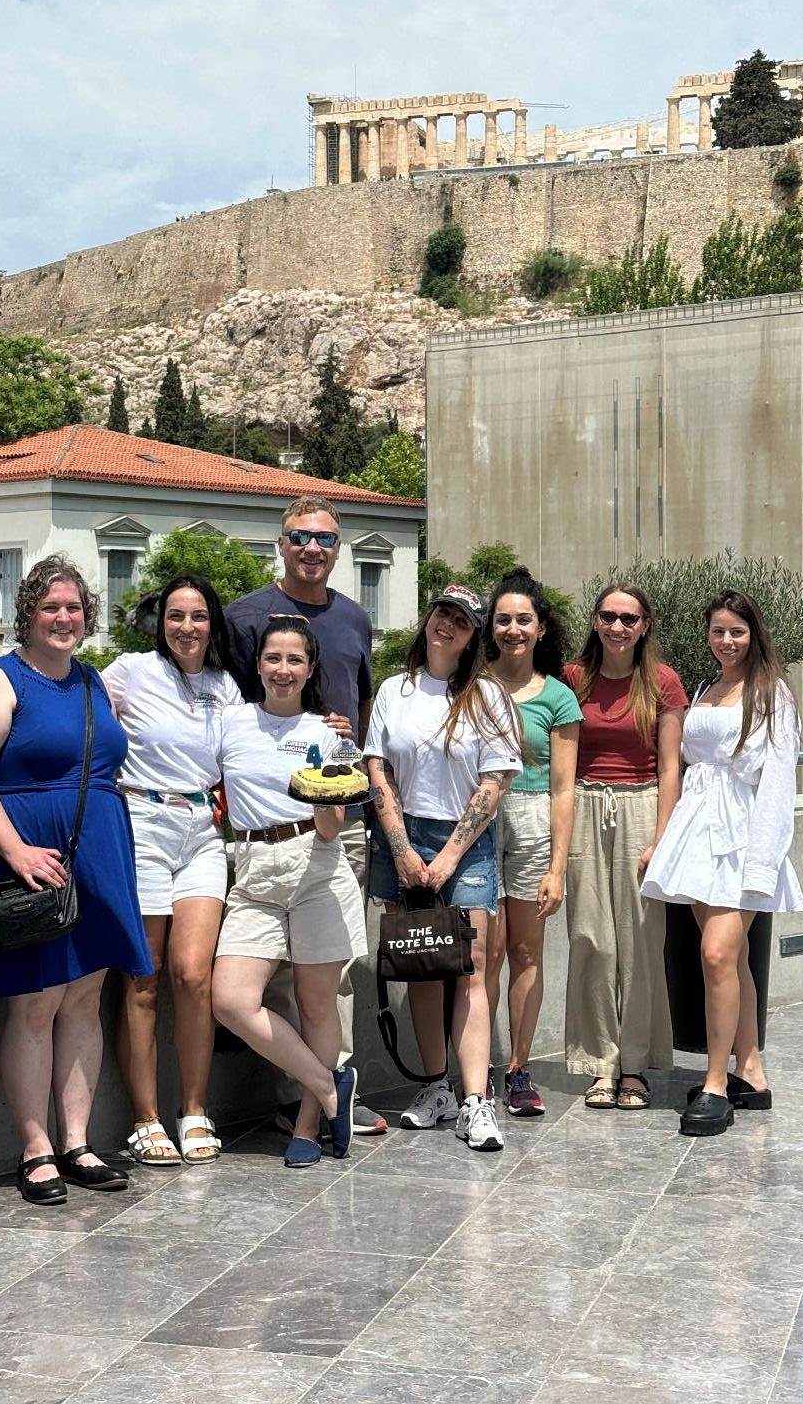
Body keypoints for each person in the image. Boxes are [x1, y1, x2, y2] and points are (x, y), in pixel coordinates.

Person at [0, 556, 152, 1204]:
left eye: (73, 606)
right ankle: (35, 1147)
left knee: (83, 998)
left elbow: (107, 762)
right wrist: (16, 849)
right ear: (28, 611)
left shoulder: (92, 681)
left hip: (98, 850)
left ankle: (76, 1140)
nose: (63, 617)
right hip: (31, 856)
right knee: (37, 1002)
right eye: (50, 606)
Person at [224, 493, 386, 1138]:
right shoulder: (243, 617)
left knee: (330, 976)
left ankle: (329, 1092)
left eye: (323, 539)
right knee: (271, 982)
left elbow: (363, 707)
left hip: (333, 811)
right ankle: (305, 1093)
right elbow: (237, 712)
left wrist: (342, 753)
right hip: (263, 818)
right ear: (281, 543)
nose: (311, 548)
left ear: (338, 548)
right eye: (299, 537)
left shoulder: (352, 619)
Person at [364, 584, 523, 1151]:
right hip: (402, 836)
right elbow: (375, 770)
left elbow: (496, 780)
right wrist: (403, 848)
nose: (447, 626)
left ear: (473, 634)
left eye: (460, 620)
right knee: (422, 967)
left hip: (466, 840)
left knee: (472, 970)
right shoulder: (395, 689)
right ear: (427, 619)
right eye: (441, 614)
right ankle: (436, 1087)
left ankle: (477, 1100)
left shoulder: (487, 696)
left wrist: (451, 853)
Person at [642, 590, 803, 1137]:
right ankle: (751, 1071)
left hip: (743, 838)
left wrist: (763, 864)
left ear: (754, 633)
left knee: (716, 955)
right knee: (730, 963)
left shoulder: (772, 693)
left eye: (736, 631)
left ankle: (715, 1084)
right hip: (698, 833)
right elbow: (691, 764)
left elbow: (779, 786)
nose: (727, 640)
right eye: (718, 631)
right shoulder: (708, 686)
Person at [210, 618, 363, 1167]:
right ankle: (328, 1087)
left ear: (310, 669)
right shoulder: (231, 722)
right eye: (273, 658)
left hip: (316, 866)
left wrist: (325, 794)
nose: (282, 670)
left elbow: (331, 826)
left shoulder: (327, 734)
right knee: (229, 999)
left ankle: (306, 1126)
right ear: (257, 665)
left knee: (316, 1004)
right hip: (252, 867)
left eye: (294, 660)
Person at [103, 573, 241, 1166]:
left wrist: (326, 733)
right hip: (143, 823)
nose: (187, 627)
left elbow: (252, 749)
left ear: (213, 624)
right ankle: (145, 1118)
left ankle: (193, 1109)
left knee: (194, 975)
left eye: (199, 616)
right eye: (176, 616)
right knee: (143, 978)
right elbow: (82, 709)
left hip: (203, 832)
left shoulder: (226, 685)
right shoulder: (132, 670)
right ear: (161, 622)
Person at [562, 584, 686, 1111]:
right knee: (590, 939)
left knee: (639, 943)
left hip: (641, 807)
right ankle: (598, 1063)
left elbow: (671, 766)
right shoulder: (573, 678)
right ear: (595, 621)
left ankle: (633, 1064)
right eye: (609, 616)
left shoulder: (661, 682)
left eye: (628, 619)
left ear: (644, 625)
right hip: (586, 807)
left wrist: (662, 838)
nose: (617, 626)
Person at [483, 568, 581, 1117]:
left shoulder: (558, 697)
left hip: (531, 820)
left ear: (540, 629)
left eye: (524, 620)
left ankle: (518, 1068)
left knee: (524, 951)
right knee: (484, 955)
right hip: (478, 821)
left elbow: (565, 788)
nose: (513, 629)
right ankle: (481, 1070)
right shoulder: (470, 684)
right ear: (490, 627)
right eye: (504, 620)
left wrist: (557, 869)